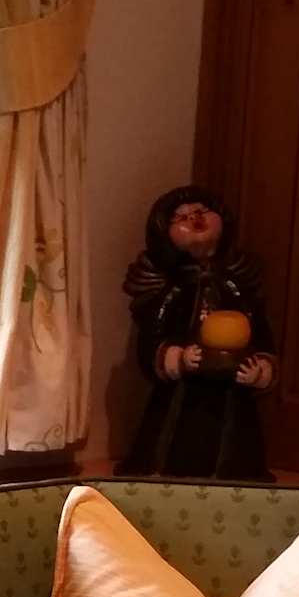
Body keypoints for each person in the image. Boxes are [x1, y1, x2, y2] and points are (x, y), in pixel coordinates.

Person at [118, 186, 276, 480]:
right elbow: (151, 336)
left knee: (235, 445)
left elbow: (260, 331)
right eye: (181, 218)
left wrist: (260, 368)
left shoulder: (238, 285)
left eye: (201, 211)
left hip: (233, 391)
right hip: (182, 394)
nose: (194, 219)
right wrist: (176, 357)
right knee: (176, 441)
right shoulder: (170, 289)